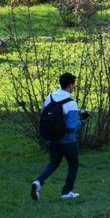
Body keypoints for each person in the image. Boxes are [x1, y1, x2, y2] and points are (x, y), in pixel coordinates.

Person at [30, 72, 82, 201]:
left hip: (52, 138)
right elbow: (72, 126)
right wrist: (82, 122)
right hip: (68, 140)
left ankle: (38, 182)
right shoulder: (71, 102)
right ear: (70, 85)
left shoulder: (50, 97)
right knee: (73, 164)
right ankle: (66, 192)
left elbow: (44, 115)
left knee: (53, 163)